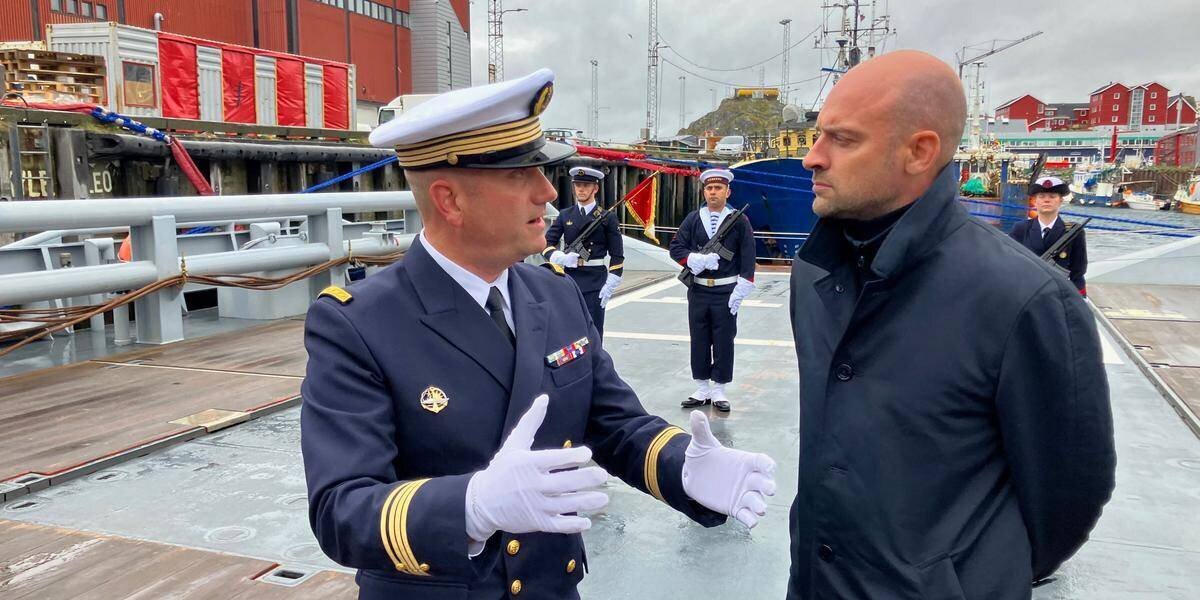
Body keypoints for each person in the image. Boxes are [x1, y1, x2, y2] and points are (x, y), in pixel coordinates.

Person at [300, 68, 777, 600]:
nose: (547, 192)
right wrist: (471, 506)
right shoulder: (357, 323)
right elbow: (340, 510)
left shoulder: (552, 292)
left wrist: (683, 467)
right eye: (520, 175)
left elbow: (613, 422)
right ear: (450, 201)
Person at [788, 50, 1115, 599]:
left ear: (920, 152)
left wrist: (957, 575)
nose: (812, 159)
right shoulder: (816, 274)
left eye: (842, 140)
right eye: (818, 136)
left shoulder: (1026, 300)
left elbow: (1069, 493)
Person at [668, 169, 756, 413]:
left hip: (725, 291)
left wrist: (743, 285)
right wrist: (692, 259)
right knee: (699, 338)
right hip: (698, 291)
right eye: (709, 188)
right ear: (704, 191)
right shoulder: (693, 219)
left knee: (724, 340)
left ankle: (719, 389)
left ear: (728, 192)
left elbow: (748, 255)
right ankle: (702, 387)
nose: (713, 192)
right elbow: (675, 247)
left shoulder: (738, 220)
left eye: (718, 188)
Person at [541, 166, 624, 335]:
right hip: (569, 278)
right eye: (577, 185)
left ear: (595, 188)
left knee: (592, 331)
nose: (581, 189)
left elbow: (617, 255)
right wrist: (559, 257)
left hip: (595, 281)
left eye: (586, 185)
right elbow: (545, 243)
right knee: (568, 330)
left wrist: (612, 281)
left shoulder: (607, 218)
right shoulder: (565, 215)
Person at [1008, 176, 1088, 295]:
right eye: (1041, 196)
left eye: (1052, 196)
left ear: (1060, 200)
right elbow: (1010, 265)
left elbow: (1078, 272)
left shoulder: (1073, 232)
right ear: (1034, 201)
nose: (1047, 200)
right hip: (1027, 294)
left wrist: (1077, 299)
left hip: (1059, 295)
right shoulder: (1021, 229)